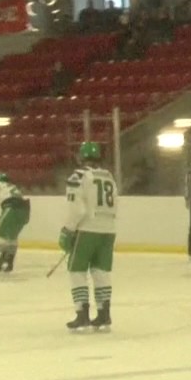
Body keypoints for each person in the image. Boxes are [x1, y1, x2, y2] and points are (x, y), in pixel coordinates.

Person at [60, 142, 118, 332]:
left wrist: (68, 230)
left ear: (81, 157)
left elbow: (77, 209)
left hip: (87, 229)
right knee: (101, 272)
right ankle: (104, 313)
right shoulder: (109, 176)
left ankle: (82, 314)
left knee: (76, 271)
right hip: (108, 229)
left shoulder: (78, 176)